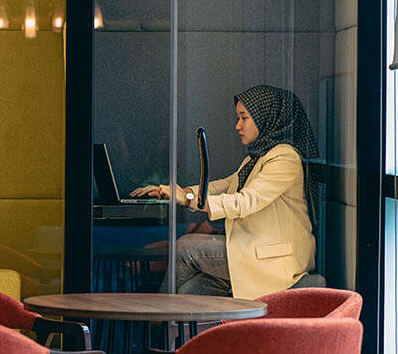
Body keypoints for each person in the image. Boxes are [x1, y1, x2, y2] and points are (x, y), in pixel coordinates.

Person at [130, 85, 321, 299]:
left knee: (185, 247)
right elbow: (226, 185)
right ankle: (174, 325)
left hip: (274, 258)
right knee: (190, 290)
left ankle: (157, 319)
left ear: (266, 118)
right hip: (250, 249)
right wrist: (182, 192)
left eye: (244, 118)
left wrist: (189, 198)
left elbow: (246, 201)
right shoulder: (258, 157)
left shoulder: (285, 158)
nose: (238, 126)